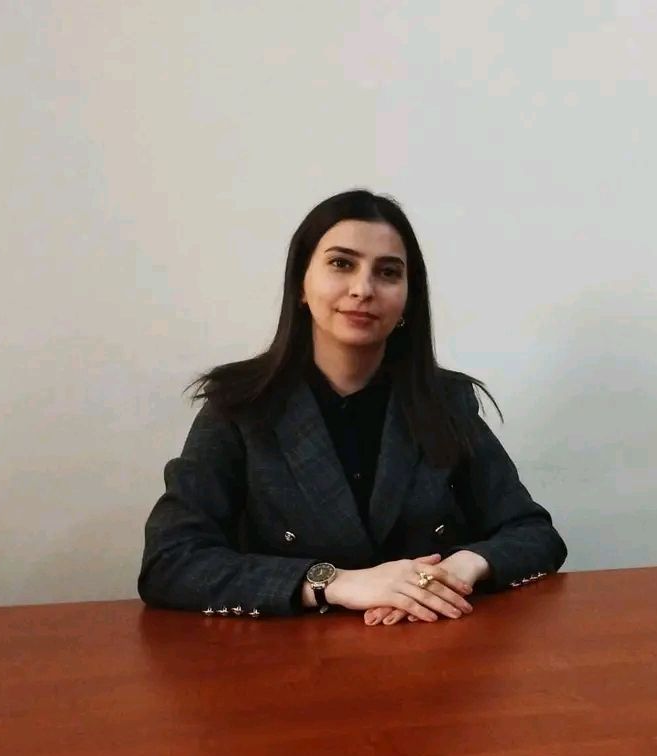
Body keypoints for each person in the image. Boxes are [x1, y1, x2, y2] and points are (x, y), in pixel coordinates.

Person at [139, 189, 566, 625]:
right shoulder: (240, 403)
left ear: (407, 298)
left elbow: (534, 534)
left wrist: (461, 567)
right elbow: (170, 561)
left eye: (388, 272)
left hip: (431, 648)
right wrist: (334, 582)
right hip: (287, 656)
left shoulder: (446, 401)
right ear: (301, 285)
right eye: (341, 264)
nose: (363, 289)